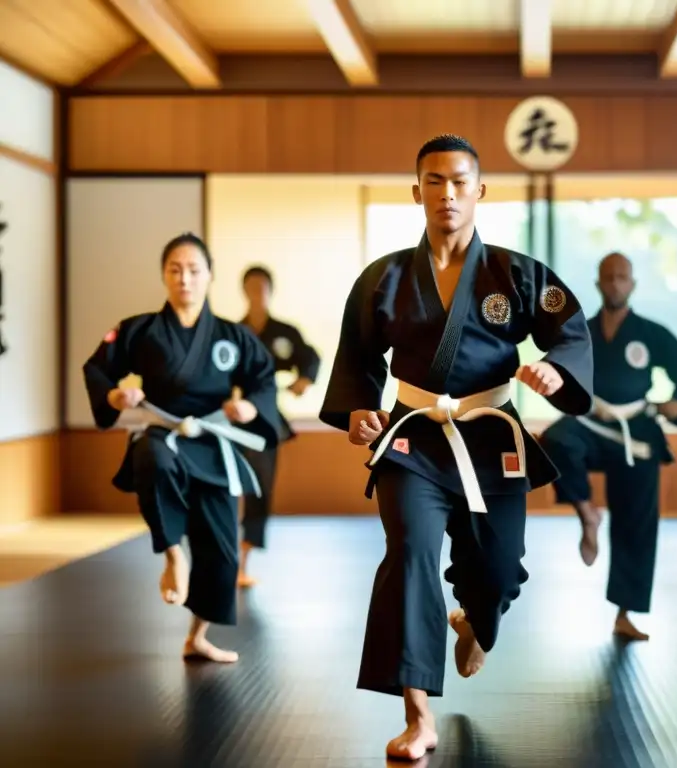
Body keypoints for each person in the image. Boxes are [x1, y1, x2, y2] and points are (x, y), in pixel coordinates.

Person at [319, 134, 593, 762]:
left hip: (492, 434)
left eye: (460, 181)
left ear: (480, 191)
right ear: (417, 192)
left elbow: (567, 329)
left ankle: (477, 621)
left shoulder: (516, 273)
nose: (447, 193)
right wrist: (361, 408)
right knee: (409, 553)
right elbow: (357, 360)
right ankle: (419, 715)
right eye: (435, 181)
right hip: (413, 436)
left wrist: (556, 370)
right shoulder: (383, 277)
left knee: (497, 572)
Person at [82, 232, 281, 663]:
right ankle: (173, 553)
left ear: (209, 276)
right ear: (163, 276)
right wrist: (117, 397)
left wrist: (248, 405)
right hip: (163, 433)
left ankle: (198, 636)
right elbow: (99, 369)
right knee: (151, 458)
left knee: (223, 549)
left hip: (212, 441)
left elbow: (263, 378)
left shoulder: (232, 335)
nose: (184, 279)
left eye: (193, 270)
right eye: (175, 270)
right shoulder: (139, 330)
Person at [539, 252, 677, 641]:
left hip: (637, 429)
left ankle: (625, 613)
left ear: (632, 284)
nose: (614, 283)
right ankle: (587, 513)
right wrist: (550, 380)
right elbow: (556, 370)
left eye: (622, 277)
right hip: (591, 423)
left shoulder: (651, 333)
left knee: (636, 522)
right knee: (555, 440)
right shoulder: (581, 331)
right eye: (608, 277)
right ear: (598, 284)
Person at [237, 265, 321, 587]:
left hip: (266, 419)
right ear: (243, 290)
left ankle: (244, 561)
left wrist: (304, 380)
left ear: (270, 290)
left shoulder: (284, 331)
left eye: (262, 286)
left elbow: (310, 357)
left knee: (259, 486)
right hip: (230, 417)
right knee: (225, 487)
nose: (257, 291)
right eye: (252, 286)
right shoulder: (234, 331)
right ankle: (224, 556)